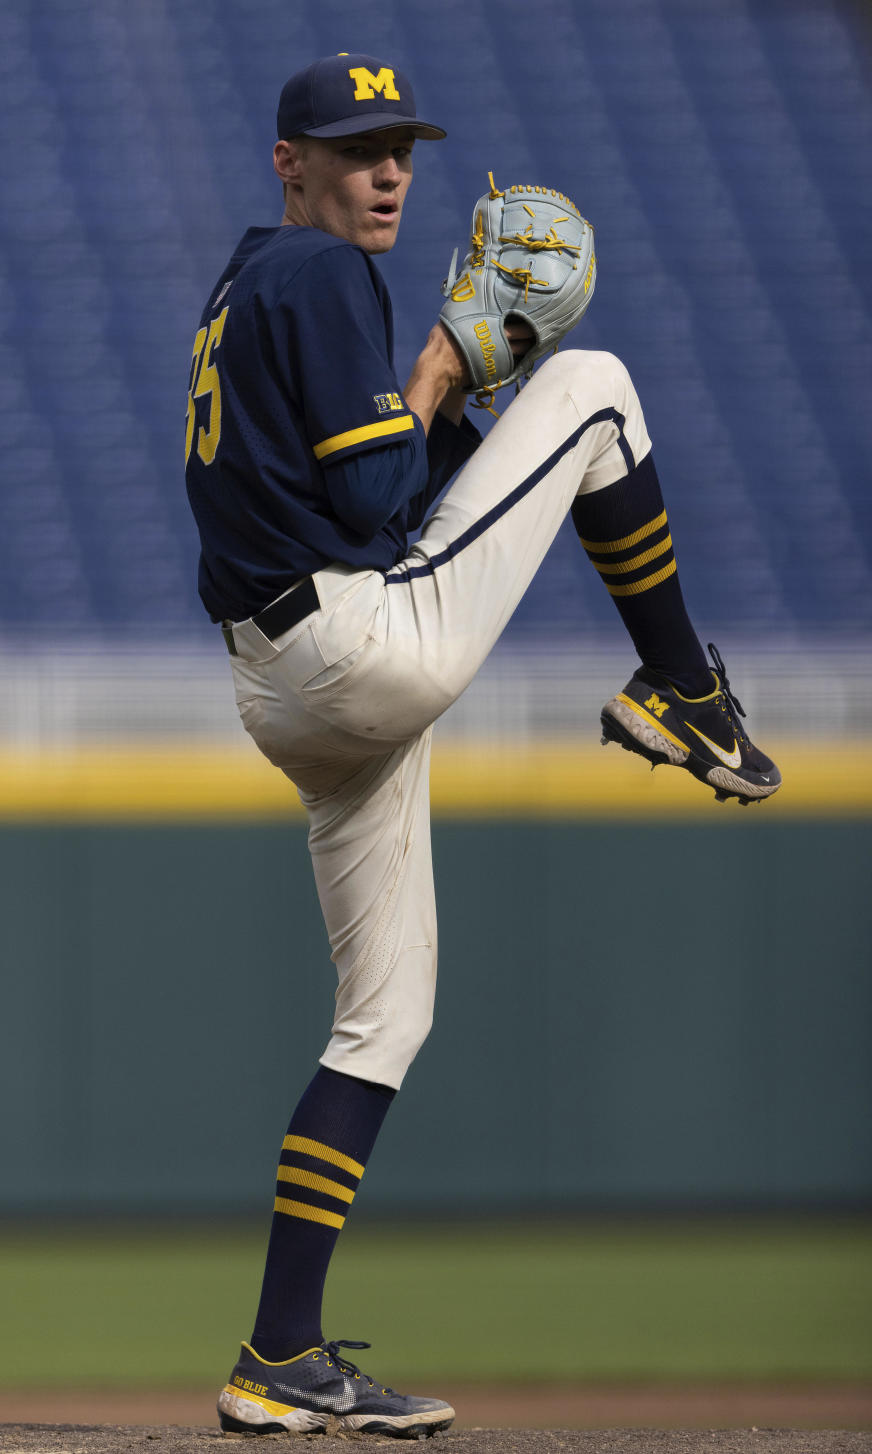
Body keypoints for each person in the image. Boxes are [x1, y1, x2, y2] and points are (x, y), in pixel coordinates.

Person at [184, 52, 780, 1439]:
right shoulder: (324, 276)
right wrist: (451, 362)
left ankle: (278, 1355)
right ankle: (682, 686)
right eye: (355, 148)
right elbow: (391, 484)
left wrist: (452, 395)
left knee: (384, 1018)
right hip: (349, 648)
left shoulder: (244, 287)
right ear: (291, 163)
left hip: (288, 679)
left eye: (400, 147)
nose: (387, 171)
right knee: (604, 385)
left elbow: (386, 506)